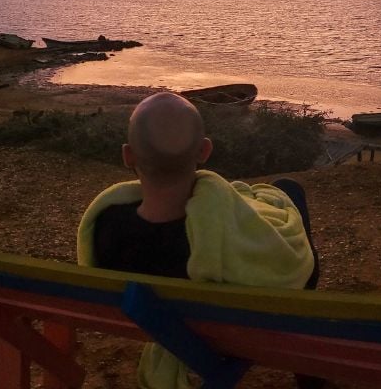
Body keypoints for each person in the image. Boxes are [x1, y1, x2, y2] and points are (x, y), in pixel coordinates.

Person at [77, 92, 321, 389]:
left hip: (162, 324)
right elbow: (288, 263)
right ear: (204, 151)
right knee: (288, 190)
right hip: (238, 324)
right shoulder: (220, 242)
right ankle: (307, 367)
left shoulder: (105, 229)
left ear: (128, 156)